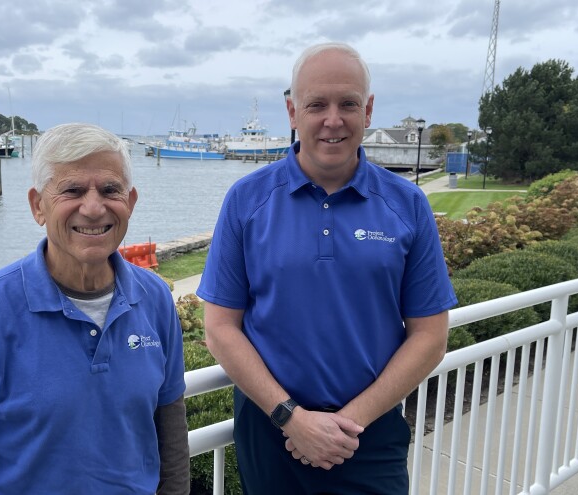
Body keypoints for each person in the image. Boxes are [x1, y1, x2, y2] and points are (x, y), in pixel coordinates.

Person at [196, 42, 457, 494]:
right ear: (292, 111)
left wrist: (346, 424)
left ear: (369, 110)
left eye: (348, 104)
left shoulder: (406, 205)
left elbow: (431, 335)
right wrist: (291, 418)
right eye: (317, 104)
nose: (332, 120)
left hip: (368, 436)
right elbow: (220, 328)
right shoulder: (246, 200)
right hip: (271, 432)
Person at [0, 123, 190, 494]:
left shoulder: (154, 298)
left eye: (110, 190)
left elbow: (169, 429)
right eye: (72, 190)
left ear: (130, 202)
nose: (93, 207)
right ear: (37, 206)